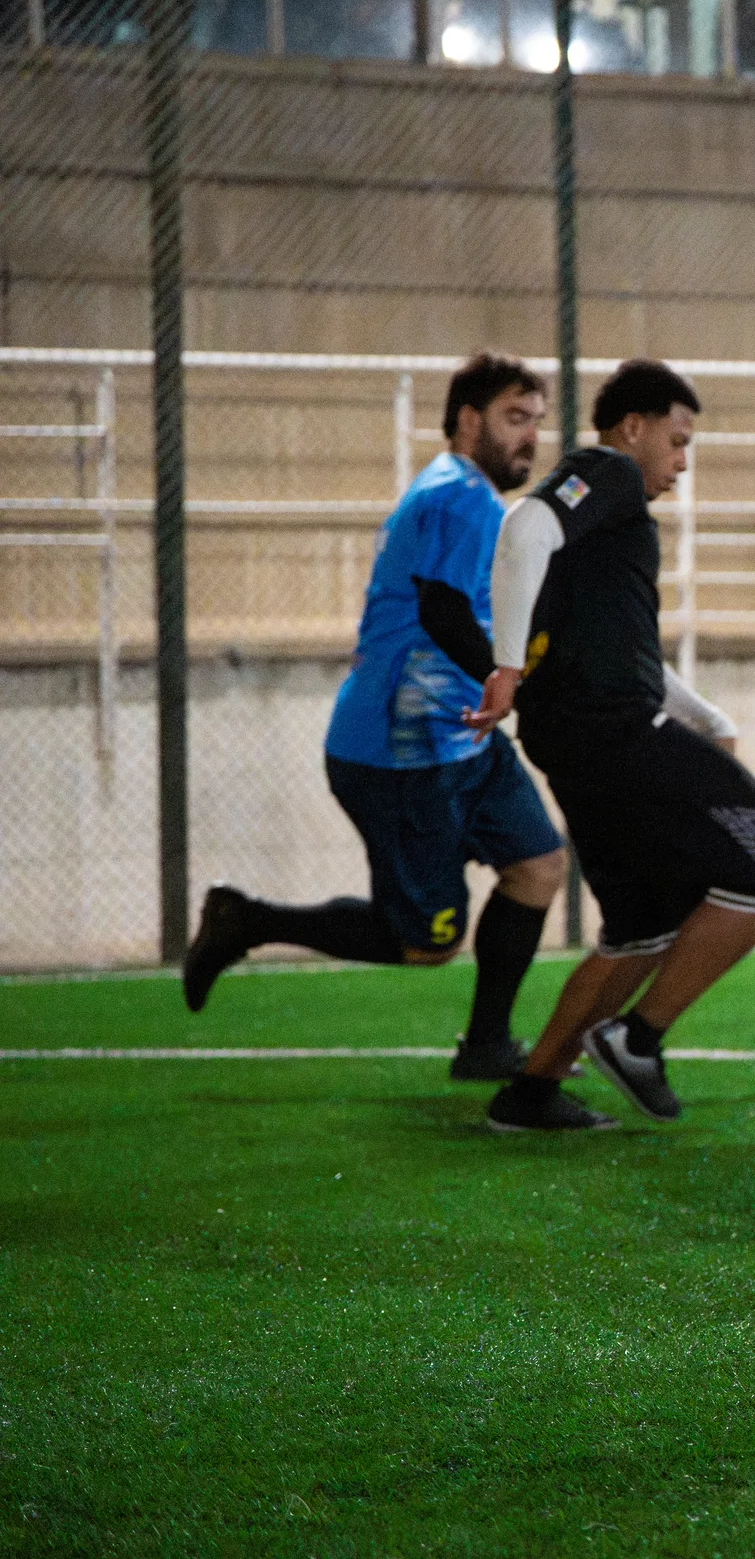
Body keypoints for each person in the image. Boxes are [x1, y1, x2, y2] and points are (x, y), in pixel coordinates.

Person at [181, 352, 567, 1083]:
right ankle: (248, 920)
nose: (529, 439)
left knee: (538, 867)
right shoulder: (457, 495)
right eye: (515, 418)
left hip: (459, 738)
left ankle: (487, 1046)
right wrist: (502, 676)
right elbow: (440, 606)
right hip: (401, 753)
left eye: (536, 424)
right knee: (426, 943)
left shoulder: (467, 497)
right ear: (467, 419)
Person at [467, 360, 755, 1133]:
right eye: (678, 439)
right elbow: (523, 526)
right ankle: (638, 1037)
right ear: (635, 427)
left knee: (641, 926)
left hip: (577, 739)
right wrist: (505, 664)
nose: (682, 461)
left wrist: (701, 710)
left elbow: (621, 646)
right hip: (616, 734)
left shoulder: (601, 525)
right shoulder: (609, 475)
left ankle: (529, 1092)